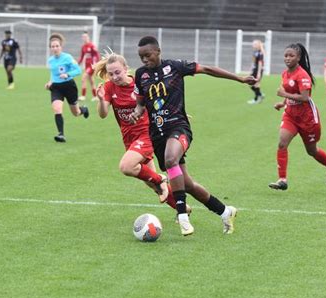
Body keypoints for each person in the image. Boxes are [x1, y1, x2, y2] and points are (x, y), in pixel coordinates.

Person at [130, 36, 256, 236]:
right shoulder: (140, 75)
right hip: (158, 135)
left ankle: (182, 216)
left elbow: (207, 69)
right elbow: (140, 102)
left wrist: (239, 78)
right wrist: (137, 112)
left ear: (158, 51)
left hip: (179, 128)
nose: (144, 60)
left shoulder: (176, 67)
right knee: (186, 184)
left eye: (147, 55)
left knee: (171, 160)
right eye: (141, 57)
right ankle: (225, 211)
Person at [94, 51, 190, 213]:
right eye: (111, 74)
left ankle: (161, 179)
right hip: (129, 139)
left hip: (147, 135)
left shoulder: (140, 84)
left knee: (127, 166)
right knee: (152, 183)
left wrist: (178, 115)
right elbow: (103, 115)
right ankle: (183, 210)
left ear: (125, 69)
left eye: (117, 72)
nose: (115, 77)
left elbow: (161, 101)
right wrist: (102, 99)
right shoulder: (110, 87)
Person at [269, 43, 326, 190]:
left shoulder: (302, 75)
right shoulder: (285, 73)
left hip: (308, 118)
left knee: (311, 151)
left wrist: (284, 95)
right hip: (291, 115)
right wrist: (282, 103)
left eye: (291, 56)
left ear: (298, 58)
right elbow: (289, 90)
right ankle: (282, 180)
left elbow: (304, 97)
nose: (287, 58)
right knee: (282, 143)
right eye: (286, 55)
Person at [45, 33, 89, 143]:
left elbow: (78, 70)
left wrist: (68, 74)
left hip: (69, 86)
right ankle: (61, 134)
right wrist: (50, 82)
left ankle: (83, 110)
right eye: (52, 46)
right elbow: (53, 74)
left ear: (61, 47)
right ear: (50, 48)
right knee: (57, 109)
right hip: (56, 88)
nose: (55, 48)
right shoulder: (50, 60)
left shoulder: (67, 57)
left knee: (76, 113)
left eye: (57, 46)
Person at [78, 31, 100, 102]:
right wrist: (78, 63)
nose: (84, 38)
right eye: (83, 37)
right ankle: (95, 96)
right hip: (87, 66)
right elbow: (81, 57)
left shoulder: (92, 46)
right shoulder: (83, 47)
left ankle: (83, 96)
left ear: (88, 37)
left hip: (91, 66)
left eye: (85, 37)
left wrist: (96, 64)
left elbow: (97, 55)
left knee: (84, 78)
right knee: (91, 81)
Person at [247, 39, 265, 104]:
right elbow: (253, 63)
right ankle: (260, 94)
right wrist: (250, 71)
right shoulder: (255, 52)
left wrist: (259, 73)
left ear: (258, 45)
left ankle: (256, 99)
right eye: (253, 44)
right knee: (250, 84)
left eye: (254, 44)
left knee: (256, 84)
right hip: (255, 70)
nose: (253, 45)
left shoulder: (260, 53)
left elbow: (260, 63)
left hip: (258, 70)